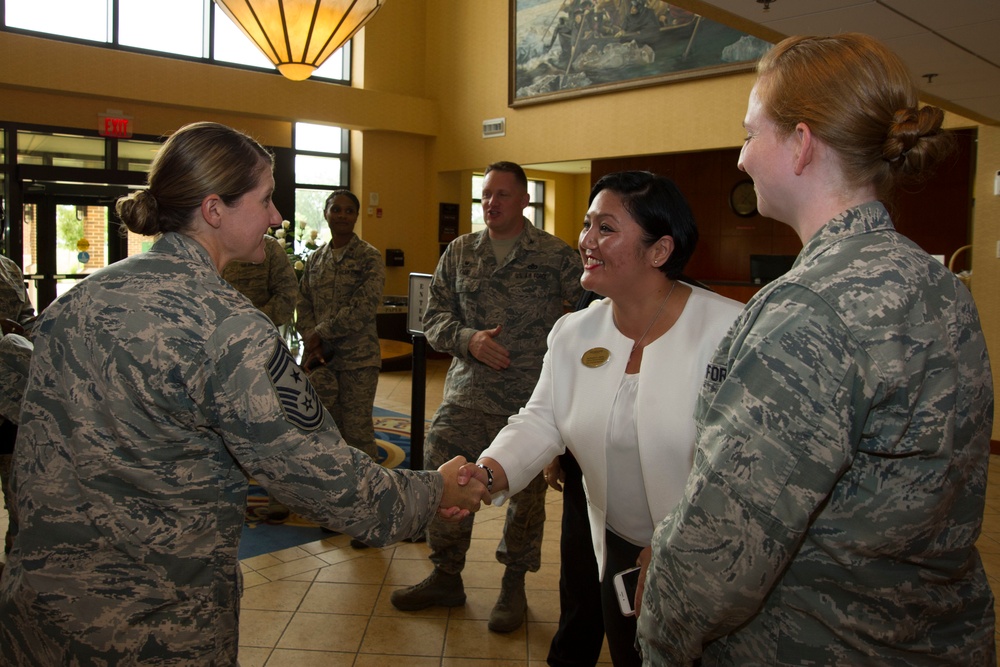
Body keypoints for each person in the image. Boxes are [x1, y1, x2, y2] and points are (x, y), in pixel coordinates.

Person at [0, 121, 489, 665]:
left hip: (37, 615)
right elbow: (324, 480)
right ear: (214, 210)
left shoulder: (79, 300)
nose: (279, 217)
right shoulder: (228, 328)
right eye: (265, 199)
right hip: (151, 627)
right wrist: (434, 489)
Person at [636, 33, 996, 665]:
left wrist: (658, 640)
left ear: (801, 145)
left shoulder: (808, 310)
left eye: (750, 133)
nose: (741, 157)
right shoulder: (939, 284)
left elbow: (721, 554)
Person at [460, 171, 743, 664]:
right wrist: (485, 473)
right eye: (587, 224)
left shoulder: (728, 332)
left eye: (605, 229)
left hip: (706, 557)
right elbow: (541, 420)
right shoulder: (575, 332)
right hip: (615, 545)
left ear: (659, 251)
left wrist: (681, 546)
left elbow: (744, 468)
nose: (585, 241)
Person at [390, 161, 583, 633]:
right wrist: (467, 339)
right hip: (466, 396)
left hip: (529, 402)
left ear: (524, 201)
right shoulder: (459, 252)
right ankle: (446, 574)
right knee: (444, 474)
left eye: (501, 195)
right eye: (485, 196)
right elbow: (432, 317)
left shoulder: (556, 256)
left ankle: (514, 584)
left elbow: (590, 315)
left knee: (526, 496)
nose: (491, 204)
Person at [296, 189, 385, 462]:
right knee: (322, 429)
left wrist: (319, 333)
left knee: (356, 432)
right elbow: (303, 301)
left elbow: (363, 307)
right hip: (322, 360)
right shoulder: (315, 259)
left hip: (358, 360)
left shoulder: (368, 257)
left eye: (349, 210)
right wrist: (310, 335)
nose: (342, 215)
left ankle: (368, 496)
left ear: (357, 216)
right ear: (326, 214)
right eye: (336, 209)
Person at [222, 232, 299, 523]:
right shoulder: (216, 244)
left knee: (270, 425)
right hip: (219, 352)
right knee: (225, 427)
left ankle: (278, 496)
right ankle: (229, 499)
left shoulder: (270, 249)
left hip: (262, 351)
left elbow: (287, 295)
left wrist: (252, 323)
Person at [0, 244, 35, 558]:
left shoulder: (8, 268)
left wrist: (21, 333)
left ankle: (13, 556)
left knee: (17, 487)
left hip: (10, 400)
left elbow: (27, 319)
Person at [221, 232, 298, 329]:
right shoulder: (211, 244)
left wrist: (253, 321)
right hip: (214, 333)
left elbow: (288, 293)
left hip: (260, 333)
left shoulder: (269, 246)